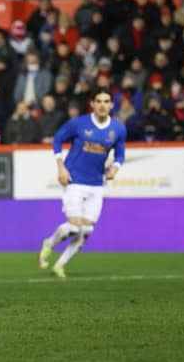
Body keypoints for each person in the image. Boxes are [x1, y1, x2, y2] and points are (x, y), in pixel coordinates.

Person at [38, 88, 126, 277]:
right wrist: (60, 167)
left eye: (106, 101)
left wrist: (116, 168)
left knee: (85, 231)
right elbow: (58, 140)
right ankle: (49, 243)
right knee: (74, 227)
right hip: (74, 180)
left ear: (111, 105)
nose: (103, 105)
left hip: (96, 184)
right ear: (92, 104)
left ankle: (59, 265)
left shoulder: (118, 129)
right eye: (99, 101)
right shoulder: (79, 124)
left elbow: (120, 153)